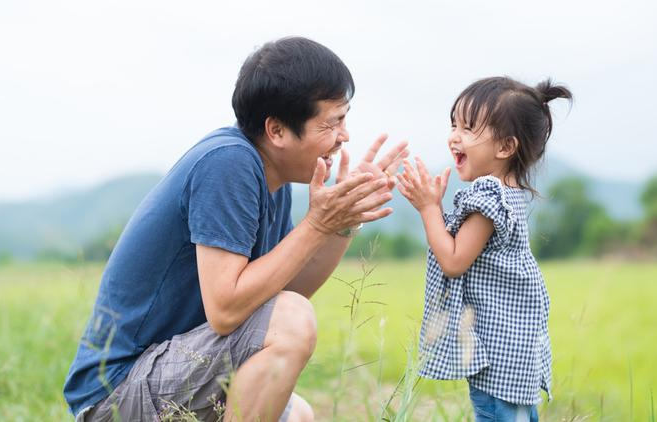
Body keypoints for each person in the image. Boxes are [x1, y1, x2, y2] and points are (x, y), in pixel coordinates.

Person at [62, 36, 408, 422]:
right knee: (293, 321)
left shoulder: (271, 178)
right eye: (332, 123)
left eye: (344, 119)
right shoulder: (229, 163)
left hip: (171, 372)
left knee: (299, 415)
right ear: (276, 130)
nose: (344, 136)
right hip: (118, 394)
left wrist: (342, 224)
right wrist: (316, 224)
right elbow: (228, 311)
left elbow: (279, 296)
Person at [396, 76, 572, 421]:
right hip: (514, 349)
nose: (454, 136)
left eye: (469, 127)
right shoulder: (511, 193)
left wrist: (429, 208)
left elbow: (453, 260)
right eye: (454, 124)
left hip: (499, 352)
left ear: (506, 147)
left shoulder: (489, 196)